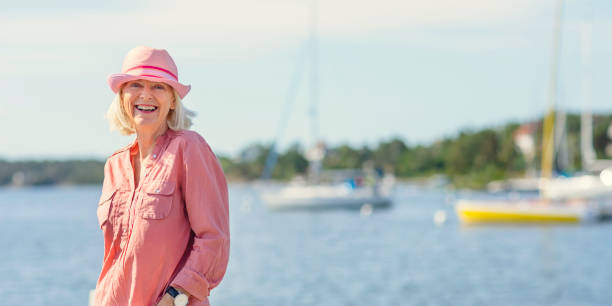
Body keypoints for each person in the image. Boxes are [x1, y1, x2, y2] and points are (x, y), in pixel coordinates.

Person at [94, 46, 230, 306]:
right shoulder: (114, 164)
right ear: (122, 96)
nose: (146, 95)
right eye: (135, 84)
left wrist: (174, 297)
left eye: (158, 87)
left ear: (172, 101)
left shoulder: (189, 148)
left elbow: (214, 239)